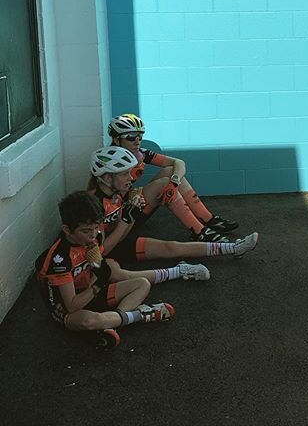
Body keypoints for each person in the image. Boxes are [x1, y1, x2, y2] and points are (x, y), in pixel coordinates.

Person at [36, 191, 179, 349]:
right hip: (68, 310)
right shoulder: (60, 259)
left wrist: (99, 271)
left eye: (96, 228)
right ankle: (141, 315)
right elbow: (72, 305)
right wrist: (99, 284)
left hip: (90, 292)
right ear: (67, 229)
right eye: (85, 231)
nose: (92, 235)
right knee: (89, 321)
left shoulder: (95, 236)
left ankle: (111, 324)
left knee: (142, 284)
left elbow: (98, 267)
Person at [87, 145, 259, 265]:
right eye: (124, 174)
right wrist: (126, 219)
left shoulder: (114, 192)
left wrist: (130, 214)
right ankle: (207, 241)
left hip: (121, 233)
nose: (131, 178)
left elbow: (178, 163)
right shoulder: (93, 206)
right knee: (172, 247)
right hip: (112, 249)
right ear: (107, 178)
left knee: (172, 246)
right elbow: (101, 253)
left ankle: (233, 247)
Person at [105, 113, 237, 242]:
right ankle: (199, 231)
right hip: (120, 220)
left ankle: (208, 219)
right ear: (117, 139)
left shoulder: (140, 154)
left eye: (140, 136)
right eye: (131, 137)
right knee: (163, 183)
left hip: (132, 204)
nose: (137, 141)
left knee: (170, 171)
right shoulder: (108, 161)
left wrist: (174, 182)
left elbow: (179, 163)